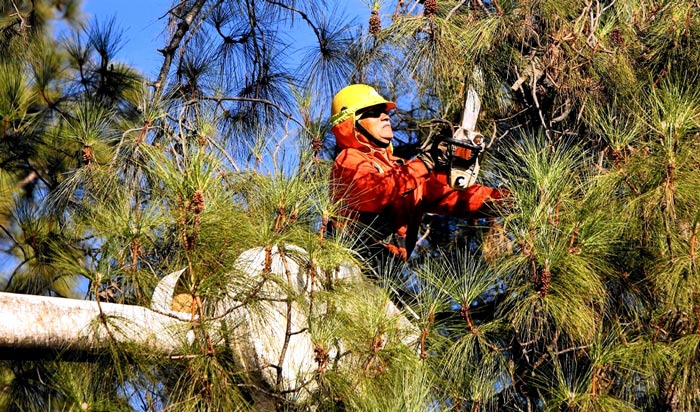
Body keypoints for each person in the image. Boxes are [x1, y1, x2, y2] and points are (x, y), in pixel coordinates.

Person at [329, 84, 508, 279]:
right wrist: (424, 163)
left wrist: (508, 199)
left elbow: (457, 196)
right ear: (350, 124)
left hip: (385, 274)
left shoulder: (405, 172)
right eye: (373, 113)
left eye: (384, 112)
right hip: (349, 264)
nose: (385, 116)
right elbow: (375, 192)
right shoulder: (348, 160)